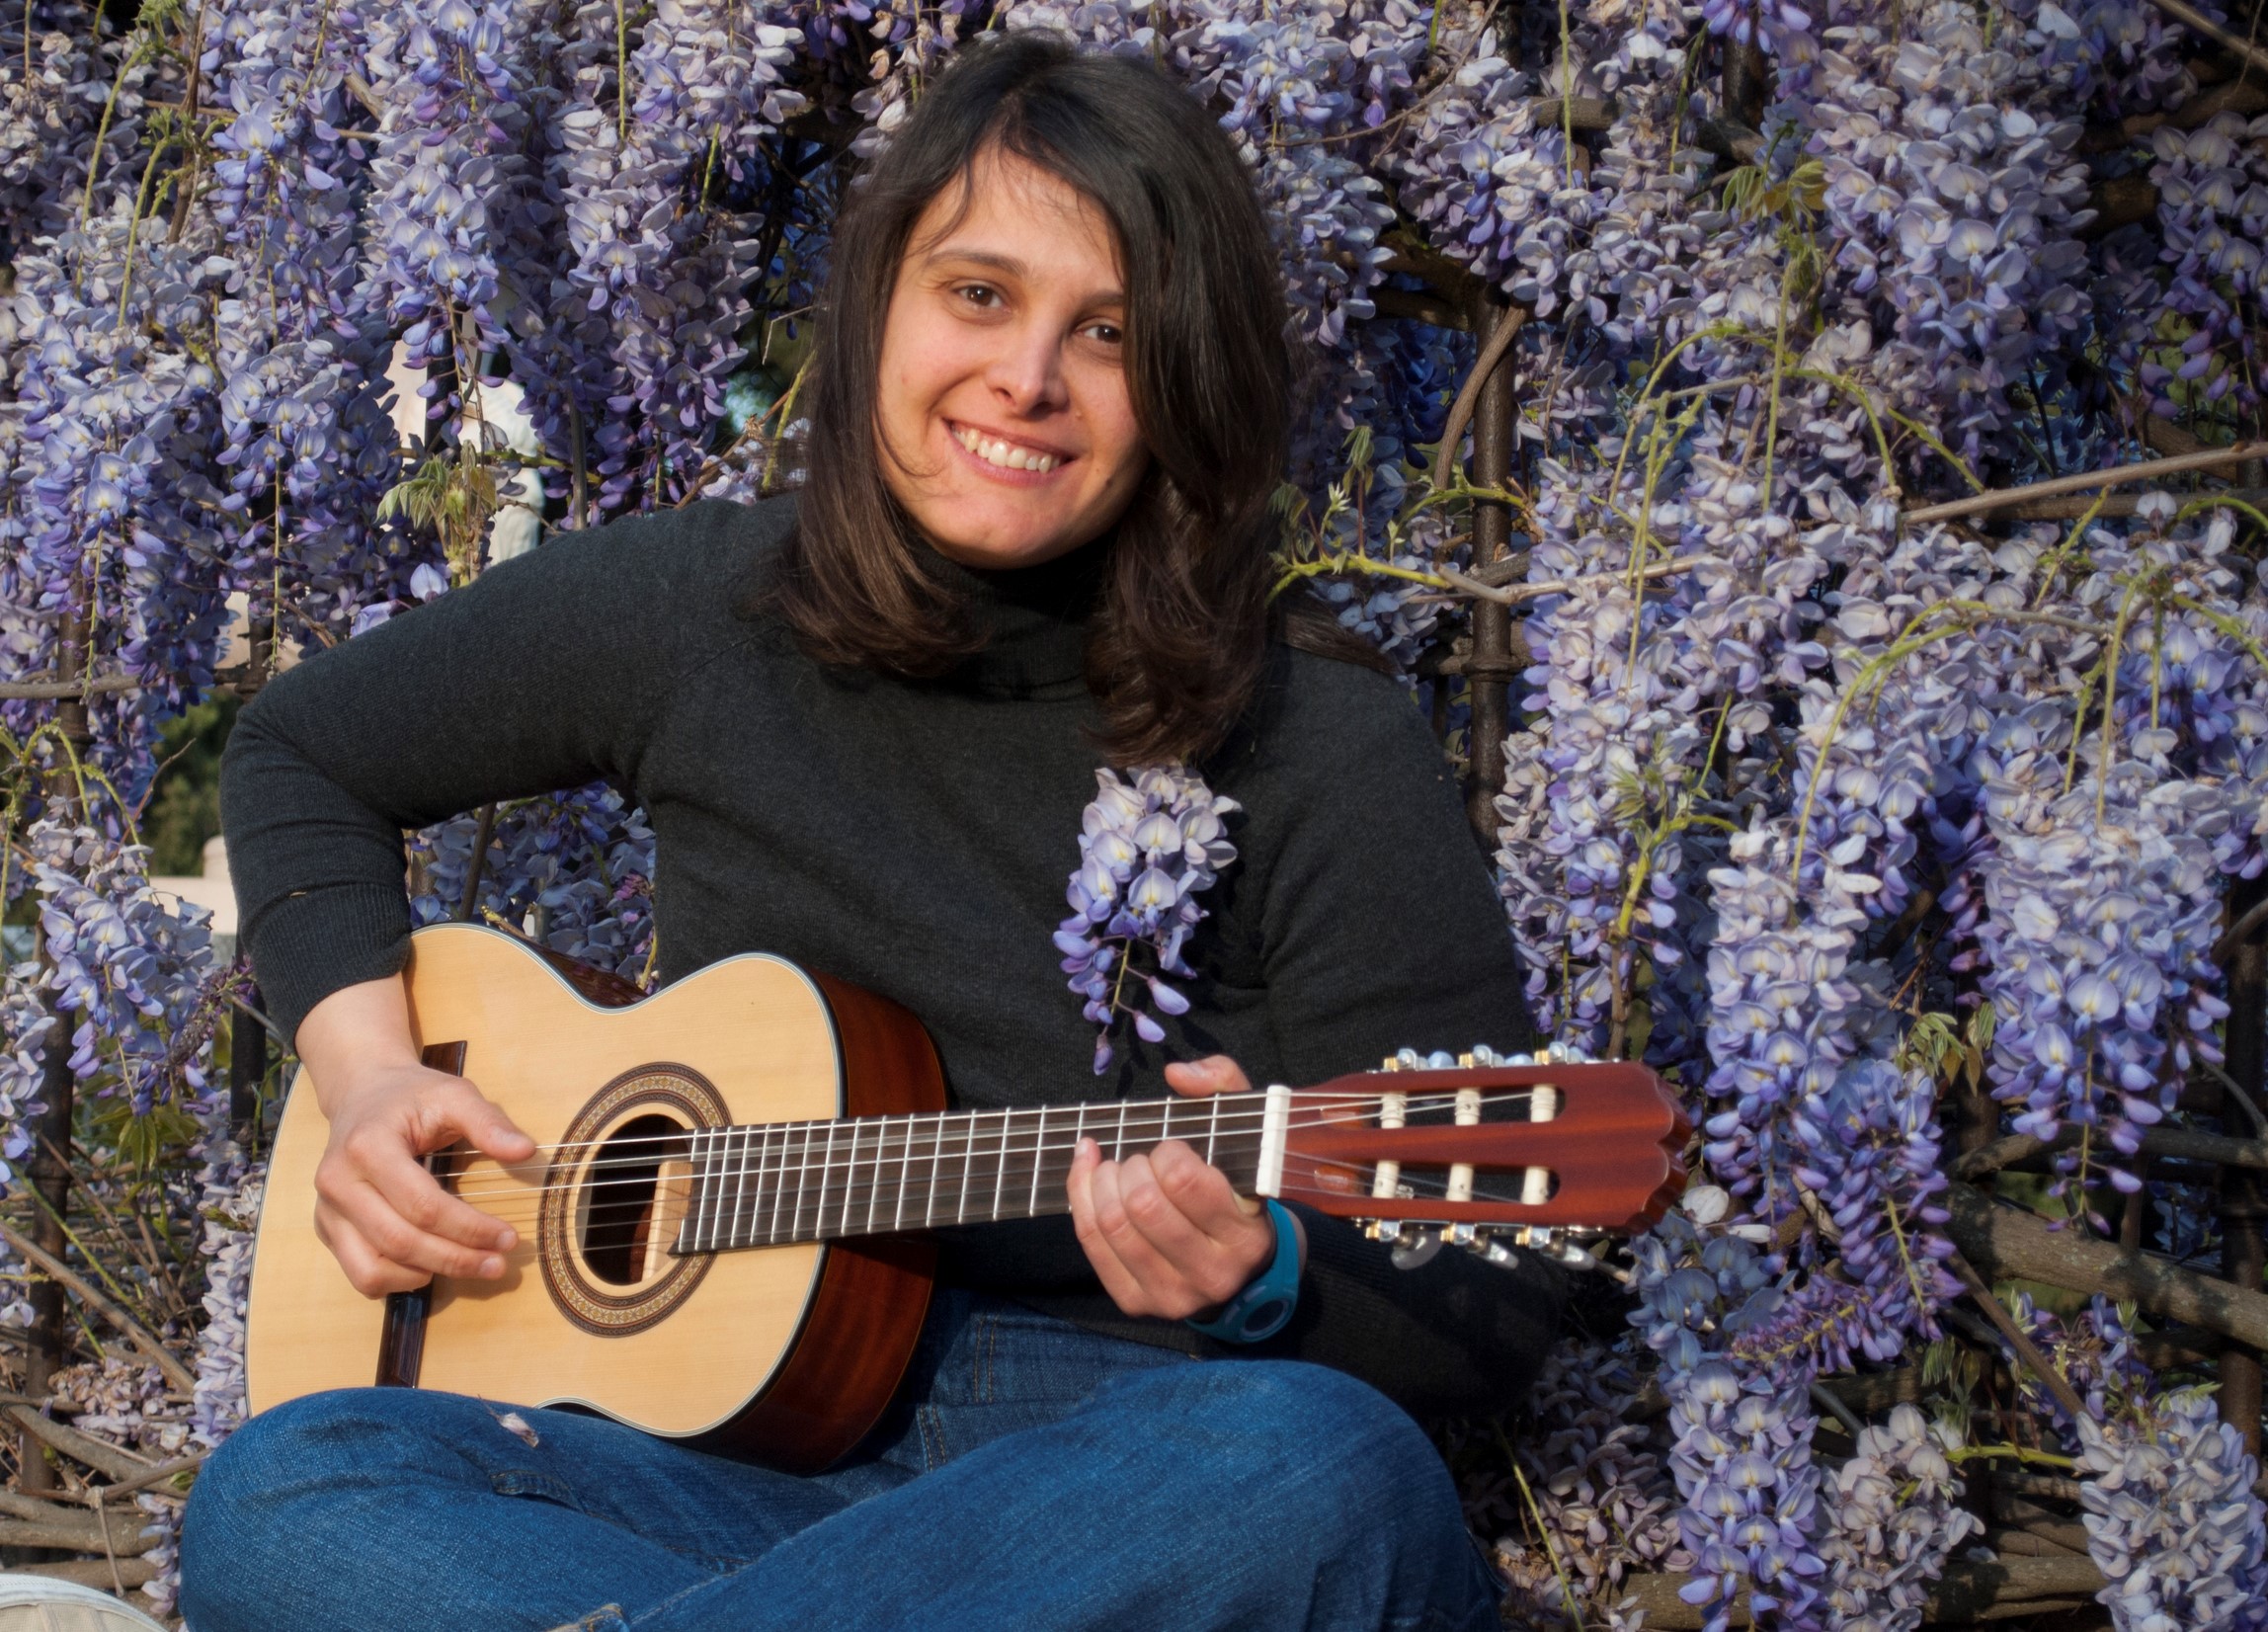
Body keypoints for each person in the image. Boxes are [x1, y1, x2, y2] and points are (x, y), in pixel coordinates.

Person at [179, 32, 1564, 1632]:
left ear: (1190, 380)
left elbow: (1492, 1292)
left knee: (1323, 1473)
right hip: (707, 1467)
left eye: (1109, 332)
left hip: (1115, 1470)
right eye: (977, 294)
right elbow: (297, 752)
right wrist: (368, 1081)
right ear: (875, 307)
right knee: (289, 1490)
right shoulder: (700, 610)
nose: (1026, 379)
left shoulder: (1309, 737)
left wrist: (1265, 1277)